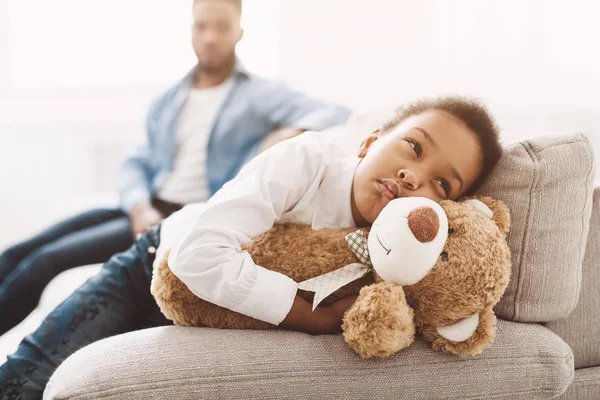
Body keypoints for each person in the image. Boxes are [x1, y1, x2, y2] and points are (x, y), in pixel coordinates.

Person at [0, 96, 502, 399]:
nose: (413, 176)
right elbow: (196, 253)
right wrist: (302, 314)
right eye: (412, 147)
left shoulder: (412, 251)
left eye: (443, 185)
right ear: (371, 141)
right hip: (154, 265)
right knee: (29, 377)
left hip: (212, 318)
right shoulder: (308, 161)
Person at [0, 0, 350, 336]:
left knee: (45, 262)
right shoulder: (170, 98)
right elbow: (135, 163)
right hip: (148, 206)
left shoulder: (260, 94)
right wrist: (139, 207)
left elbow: (337, 115)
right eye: (202, 26)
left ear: (239, 33)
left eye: (222, 27)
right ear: (191, 31)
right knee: (21, 251)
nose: (211, 36)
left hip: (188, 215)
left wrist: (292, 134)